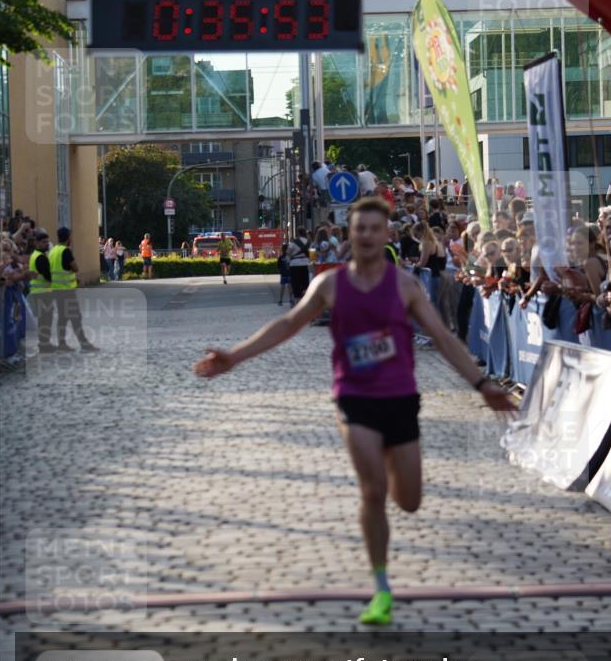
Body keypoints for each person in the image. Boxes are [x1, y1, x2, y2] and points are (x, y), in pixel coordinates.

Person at [194, 197, 515, 626]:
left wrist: (481, 383)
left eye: (373, 229)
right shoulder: (330, 285)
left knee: (410, 500)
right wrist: (235, 355)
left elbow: (442, 337)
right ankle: (381, 588)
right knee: (373, 490)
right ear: (350, 234)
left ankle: (393, 502)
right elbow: (289, 324)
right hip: (354, 398)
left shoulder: (404, 286)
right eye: (358, 228)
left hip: (400, 398)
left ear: (386, 236)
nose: (365, 235)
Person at [49, 227, 98, 353]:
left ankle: (62, 343)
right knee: (75, 317)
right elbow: (75, 267)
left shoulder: (53, 251)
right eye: (70, 236)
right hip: (66, 291)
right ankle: (84, 344)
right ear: (68, 238)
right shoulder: (66, 251)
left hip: (56, 290)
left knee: (63, 317)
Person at [27, 229, 55, 353]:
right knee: (46, 320)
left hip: (38, 291)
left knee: (43, 319)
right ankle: (45, 344)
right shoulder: (41, 258)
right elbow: (48, 276)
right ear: (37, 243)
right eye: (44, 242)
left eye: (47, 242)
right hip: (43, 292)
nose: (46, 244)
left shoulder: (35, 255)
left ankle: (44, 343)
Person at [287, 229, 311, 304]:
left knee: (296, 283)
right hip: (306, 264)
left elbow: (288, 252)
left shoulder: (294, 242)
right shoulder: (308, 242)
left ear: (298, 233)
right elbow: (312, 253)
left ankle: (297, 301)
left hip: (295, 264)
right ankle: (305, 300)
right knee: (305, 282)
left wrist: (289, 259)